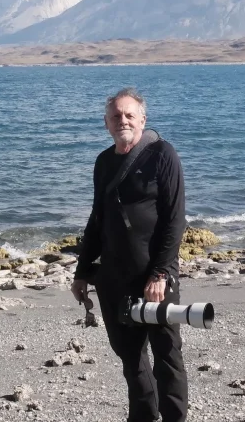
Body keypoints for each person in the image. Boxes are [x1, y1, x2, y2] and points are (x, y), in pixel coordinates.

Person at [71, 87, 188, 422]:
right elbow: (97, 219)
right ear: (106, 123)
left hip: (155, 278)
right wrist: (82, 272)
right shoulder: (104, 162)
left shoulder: (163, 154)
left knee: (167, 356)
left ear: (142, 120)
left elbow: (175, 220)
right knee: (130, 357)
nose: (122, 120)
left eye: (129, 115)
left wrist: (160, 274)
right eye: (116, 116)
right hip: (113, 278)